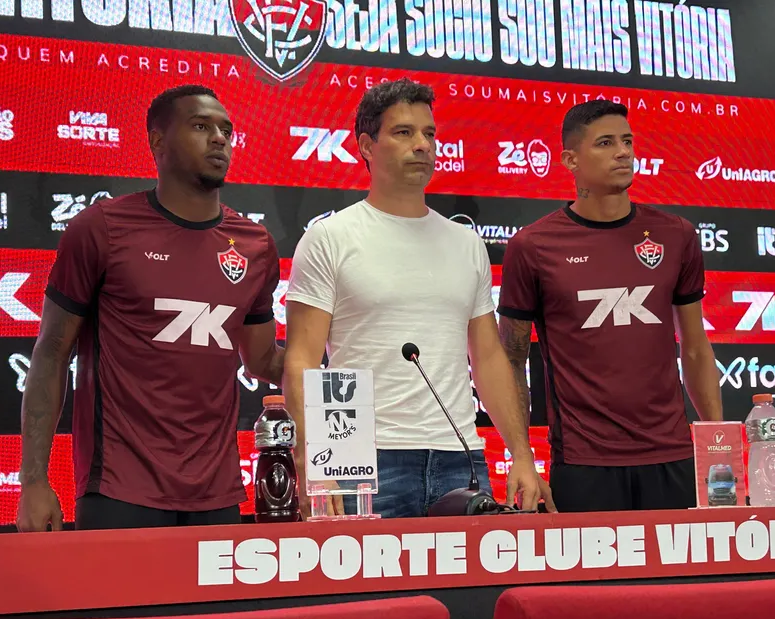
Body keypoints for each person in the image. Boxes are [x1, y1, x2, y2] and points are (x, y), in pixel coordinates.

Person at [16, 85, 283, 531]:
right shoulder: (102, 228)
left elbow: (262, 361)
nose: (219, 138)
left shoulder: (255, 245)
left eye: (226, 130)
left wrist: (340, 358)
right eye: (201, 126)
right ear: (157, 141)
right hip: (119, 488)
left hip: (217, 492)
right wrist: (33, 482)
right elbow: (51, 353)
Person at [284, 78, 554, 519]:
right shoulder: (329, 238)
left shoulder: (466, 244)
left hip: (460, 456)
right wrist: (312, 459)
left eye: (429, 133)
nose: (422, 145)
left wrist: (521, 455)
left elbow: (488, 357)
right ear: (367, 146)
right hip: (361, 459)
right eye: (404, 132)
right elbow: (302, 359)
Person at [497, 100, 722, 513]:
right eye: (605, 143)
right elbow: (510, 358)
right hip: (584, 462)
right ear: (571, 160)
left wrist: (717, 445)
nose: (623, 152)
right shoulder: (533, 246)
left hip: (671, 453)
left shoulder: (677, 235)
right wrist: (522, 456)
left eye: (627, 141)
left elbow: (695, 348)